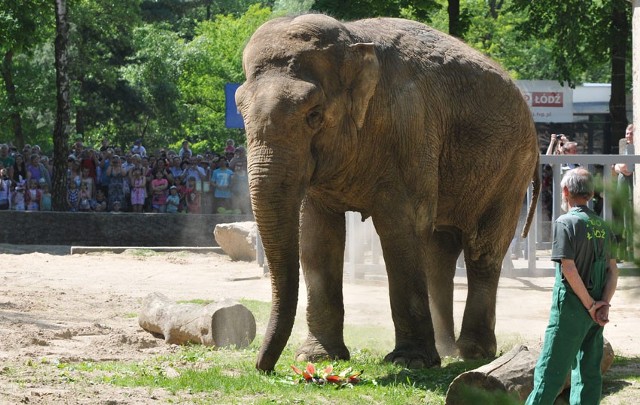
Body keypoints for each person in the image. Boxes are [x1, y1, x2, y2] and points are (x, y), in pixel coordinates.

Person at [526, 168, 619, 405]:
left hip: (571, 309)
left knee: (550, 372)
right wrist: (602, 305)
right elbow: (612, 271)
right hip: (597, 313)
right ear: (591, 193)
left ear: (566, 192)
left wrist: (588, 305)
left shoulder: (565, 223)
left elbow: (568, 268)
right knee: (589, 374)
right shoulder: (604, 227)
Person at [613, 124, 634, 261]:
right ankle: (622, 253)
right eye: (627, 133)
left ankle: (630, 252)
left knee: (630, 222)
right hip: (621, 191)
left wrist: (620, 167)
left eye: (631, 133)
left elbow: (629, 169)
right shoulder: (624, 147)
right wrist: (620, 167)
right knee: (620, 221)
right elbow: (616, 167)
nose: (628, 136)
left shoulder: (634, 148)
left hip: (631, 192)